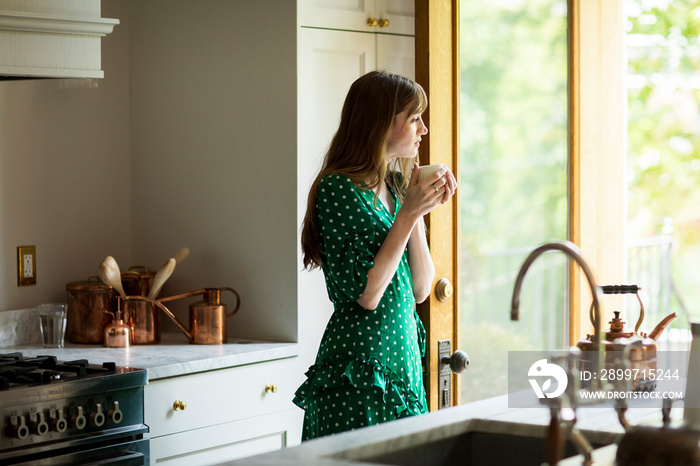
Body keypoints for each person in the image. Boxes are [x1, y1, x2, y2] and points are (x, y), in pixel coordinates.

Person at [293, 70, 457, 440]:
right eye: (414, 118)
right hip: (360, 367)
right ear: (382, 122)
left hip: (401, 362)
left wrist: (415, 201)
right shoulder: (338, 188)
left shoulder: (394, 188)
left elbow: (419, 288)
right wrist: (409, 212)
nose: (424, 129)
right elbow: (368, 295)